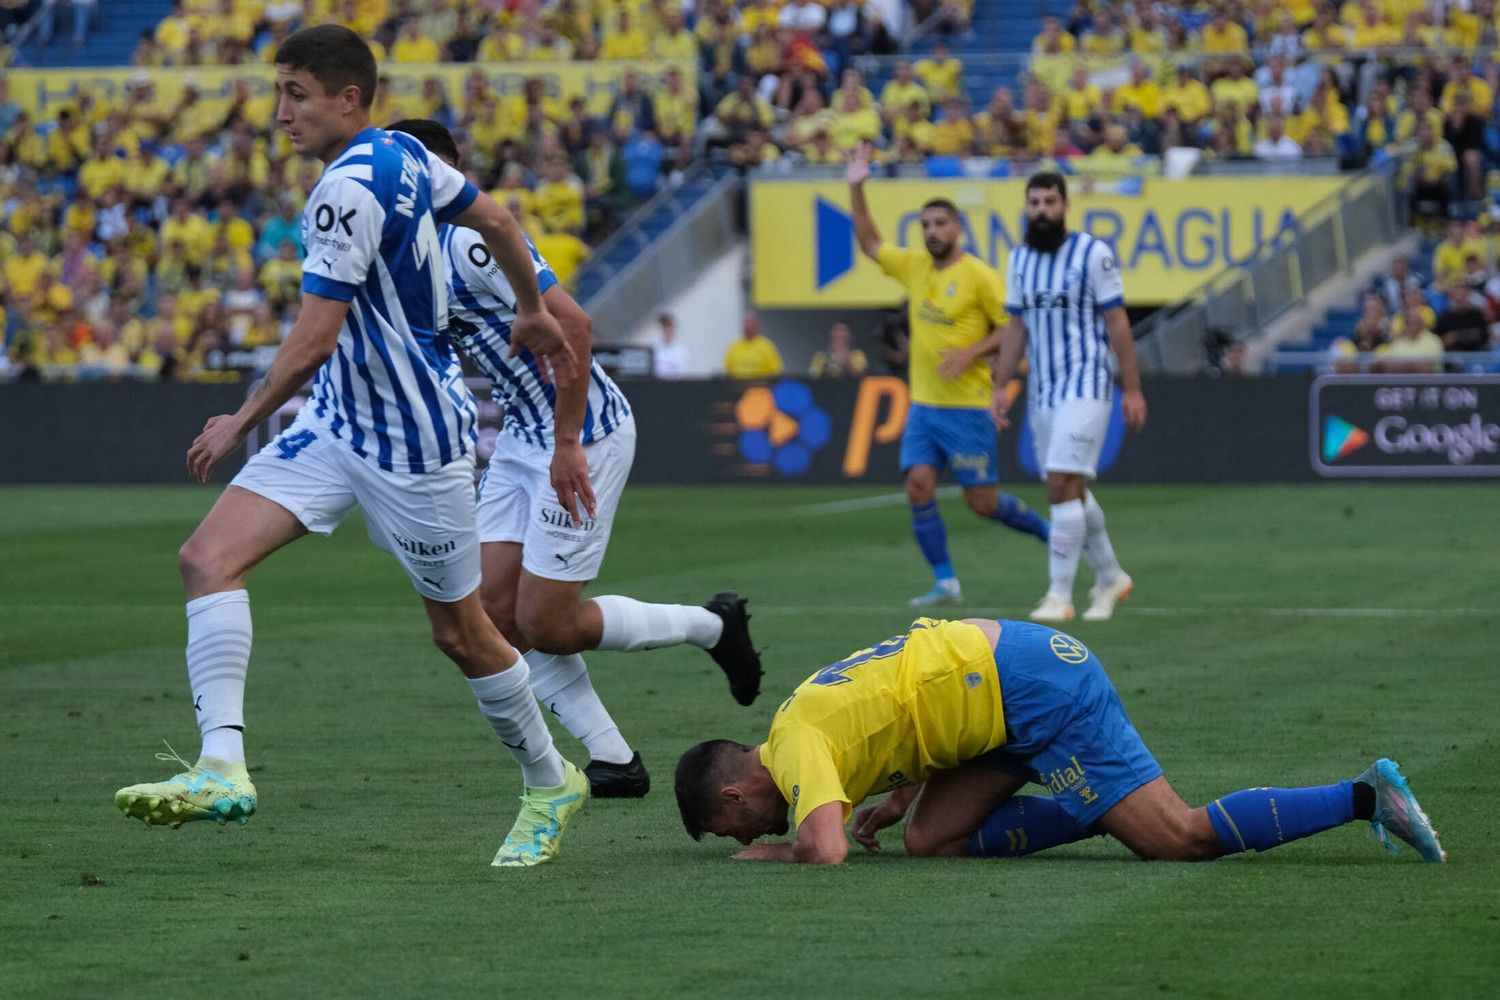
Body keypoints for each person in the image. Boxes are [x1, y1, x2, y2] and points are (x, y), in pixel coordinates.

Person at [114, 25, 589, 869]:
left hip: (413, 445)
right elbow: (499, 218)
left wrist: (240, 416)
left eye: (297, 94)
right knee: (206, 560)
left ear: (349, 99)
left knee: (463, 634)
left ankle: (551, 780)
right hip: (338, 423)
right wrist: (529, 305)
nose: (281, 112)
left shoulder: (344, 193)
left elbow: (315, 338)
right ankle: (222, 766)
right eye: (279, 93)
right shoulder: (406, 156)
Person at [389, 119, 763, 800]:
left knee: (549, 624)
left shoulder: (474, 239)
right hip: (521, 438)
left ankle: (715, 626)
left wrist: (565, 444)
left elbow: (579, 327)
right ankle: (615, 760)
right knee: (493, 613)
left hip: (582, 432)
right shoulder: (410, 253)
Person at [675, 617, 1446, 867]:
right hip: (998, 685)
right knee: (931, 840)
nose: (741, 835)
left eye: (730, 828)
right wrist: (903, 794)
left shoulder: (798, 743)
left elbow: (827, 850)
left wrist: (777, 854)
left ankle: (1364, 795)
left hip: (1032, 690)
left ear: (735, 794)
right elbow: (904, 707)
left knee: (1176, 840)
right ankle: (1100, 805)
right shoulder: (797, 721)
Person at [846, 141, 1050, 609]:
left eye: (941, 224)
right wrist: (857, 188)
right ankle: (946, 583)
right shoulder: (916, 267)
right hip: (924, 405)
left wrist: (970, 353)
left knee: (982, 503)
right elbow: (870, 243)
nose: (932, 232)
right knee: (918, 484)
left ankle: (1052, 534)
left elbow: (1011, 327)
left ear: (958, 228)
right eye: (926, 226)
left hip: (968, 408)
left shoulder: (979, 275)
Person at [948, 171, 1145, 622]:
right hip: (1043, 389)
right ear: (1026, 207)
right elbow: (1015, 327)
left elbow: (1118, 324)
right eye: (1033, 202)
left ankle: (1059, 595)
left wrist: (1132, 388)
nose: (1041, 211)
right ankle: (1111, 577)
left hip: (1088, 382)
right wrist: (1001, 387)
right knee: (1070, 486)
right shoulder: (1019, 259)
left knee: (1060, 482)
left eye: (1049, 202)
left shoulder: (1092, 254)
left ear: (1064, 206)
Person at [723, 311, 784, 378]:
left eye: (751, 325)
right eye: (746, 325)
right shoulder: (734, 347)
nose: (748, 328)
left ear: (757, 327)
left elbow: (776, 371)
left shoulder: (767, 347)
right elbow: (728, 371)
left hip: (760, 386)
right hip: (738, 386)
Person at [653, 311, 688, 379]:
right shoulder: (655, 349)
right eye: (664, 326)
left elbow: (677, 371)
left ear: (674, 327)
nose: (667, 329)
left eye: (669, 326)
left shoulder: (681, 350)